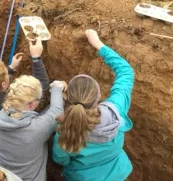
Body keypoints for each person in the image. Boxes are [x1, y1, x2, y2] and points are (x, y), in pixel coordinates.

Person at [52, 29, 135, 181]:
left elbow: (60, 160)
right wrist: (98, 44)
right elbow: (126, 72)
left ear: (68, 97)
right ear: (98, 97)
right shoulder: (115, 110)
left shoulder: (65, 130)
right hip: (118, 174)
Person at [0, 37, 65, 181]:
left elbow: (42, 116)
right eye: (39, 100)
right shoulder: (36, 130)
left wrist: (36, 59)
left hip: (4, 176)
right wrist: (57, 88)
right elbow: (57, 111)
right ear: (31, 104)